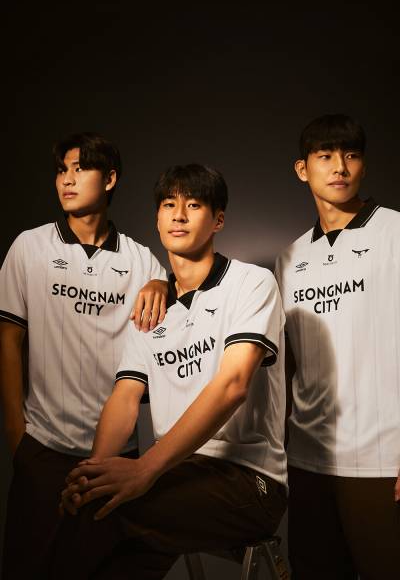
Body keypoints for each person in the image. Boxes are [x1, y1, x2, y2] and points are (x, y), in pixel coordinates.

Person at [45, 163, 288, 580]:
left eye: (193, 205)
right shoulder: (151, 309)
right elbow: (124, 399)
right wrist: (95, 473)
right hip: (175, 472)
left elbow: (233, 386)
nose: (179, 216)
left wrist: (145, 469)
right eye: (169, 205)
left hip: (248, 479)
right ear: (157, 218)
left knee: (107, 516)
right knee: (92, 507)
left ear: (218, 220)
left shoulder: (251, 283)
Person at [0, 132, 168, 578]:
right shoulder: (30, 246)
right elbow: (8, 340)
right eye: (62, 170)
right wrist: (18, 438)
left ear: (110, 179)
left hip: (114, 458)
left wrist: (163, 284)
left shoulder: (142, 261)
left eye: (80, 168)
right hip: (44, 449)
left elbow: (172, 326)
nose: (67, 180)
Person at [275, 114, 400, 579]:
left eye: (351, 155)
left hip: (381, 459)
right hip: (308, 460)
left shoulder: (394, 233)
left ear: (363, 165)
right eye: (325, 156)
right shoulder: (290, 258)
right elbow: (287, 363)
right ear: (302, 169)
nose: (340, 167)